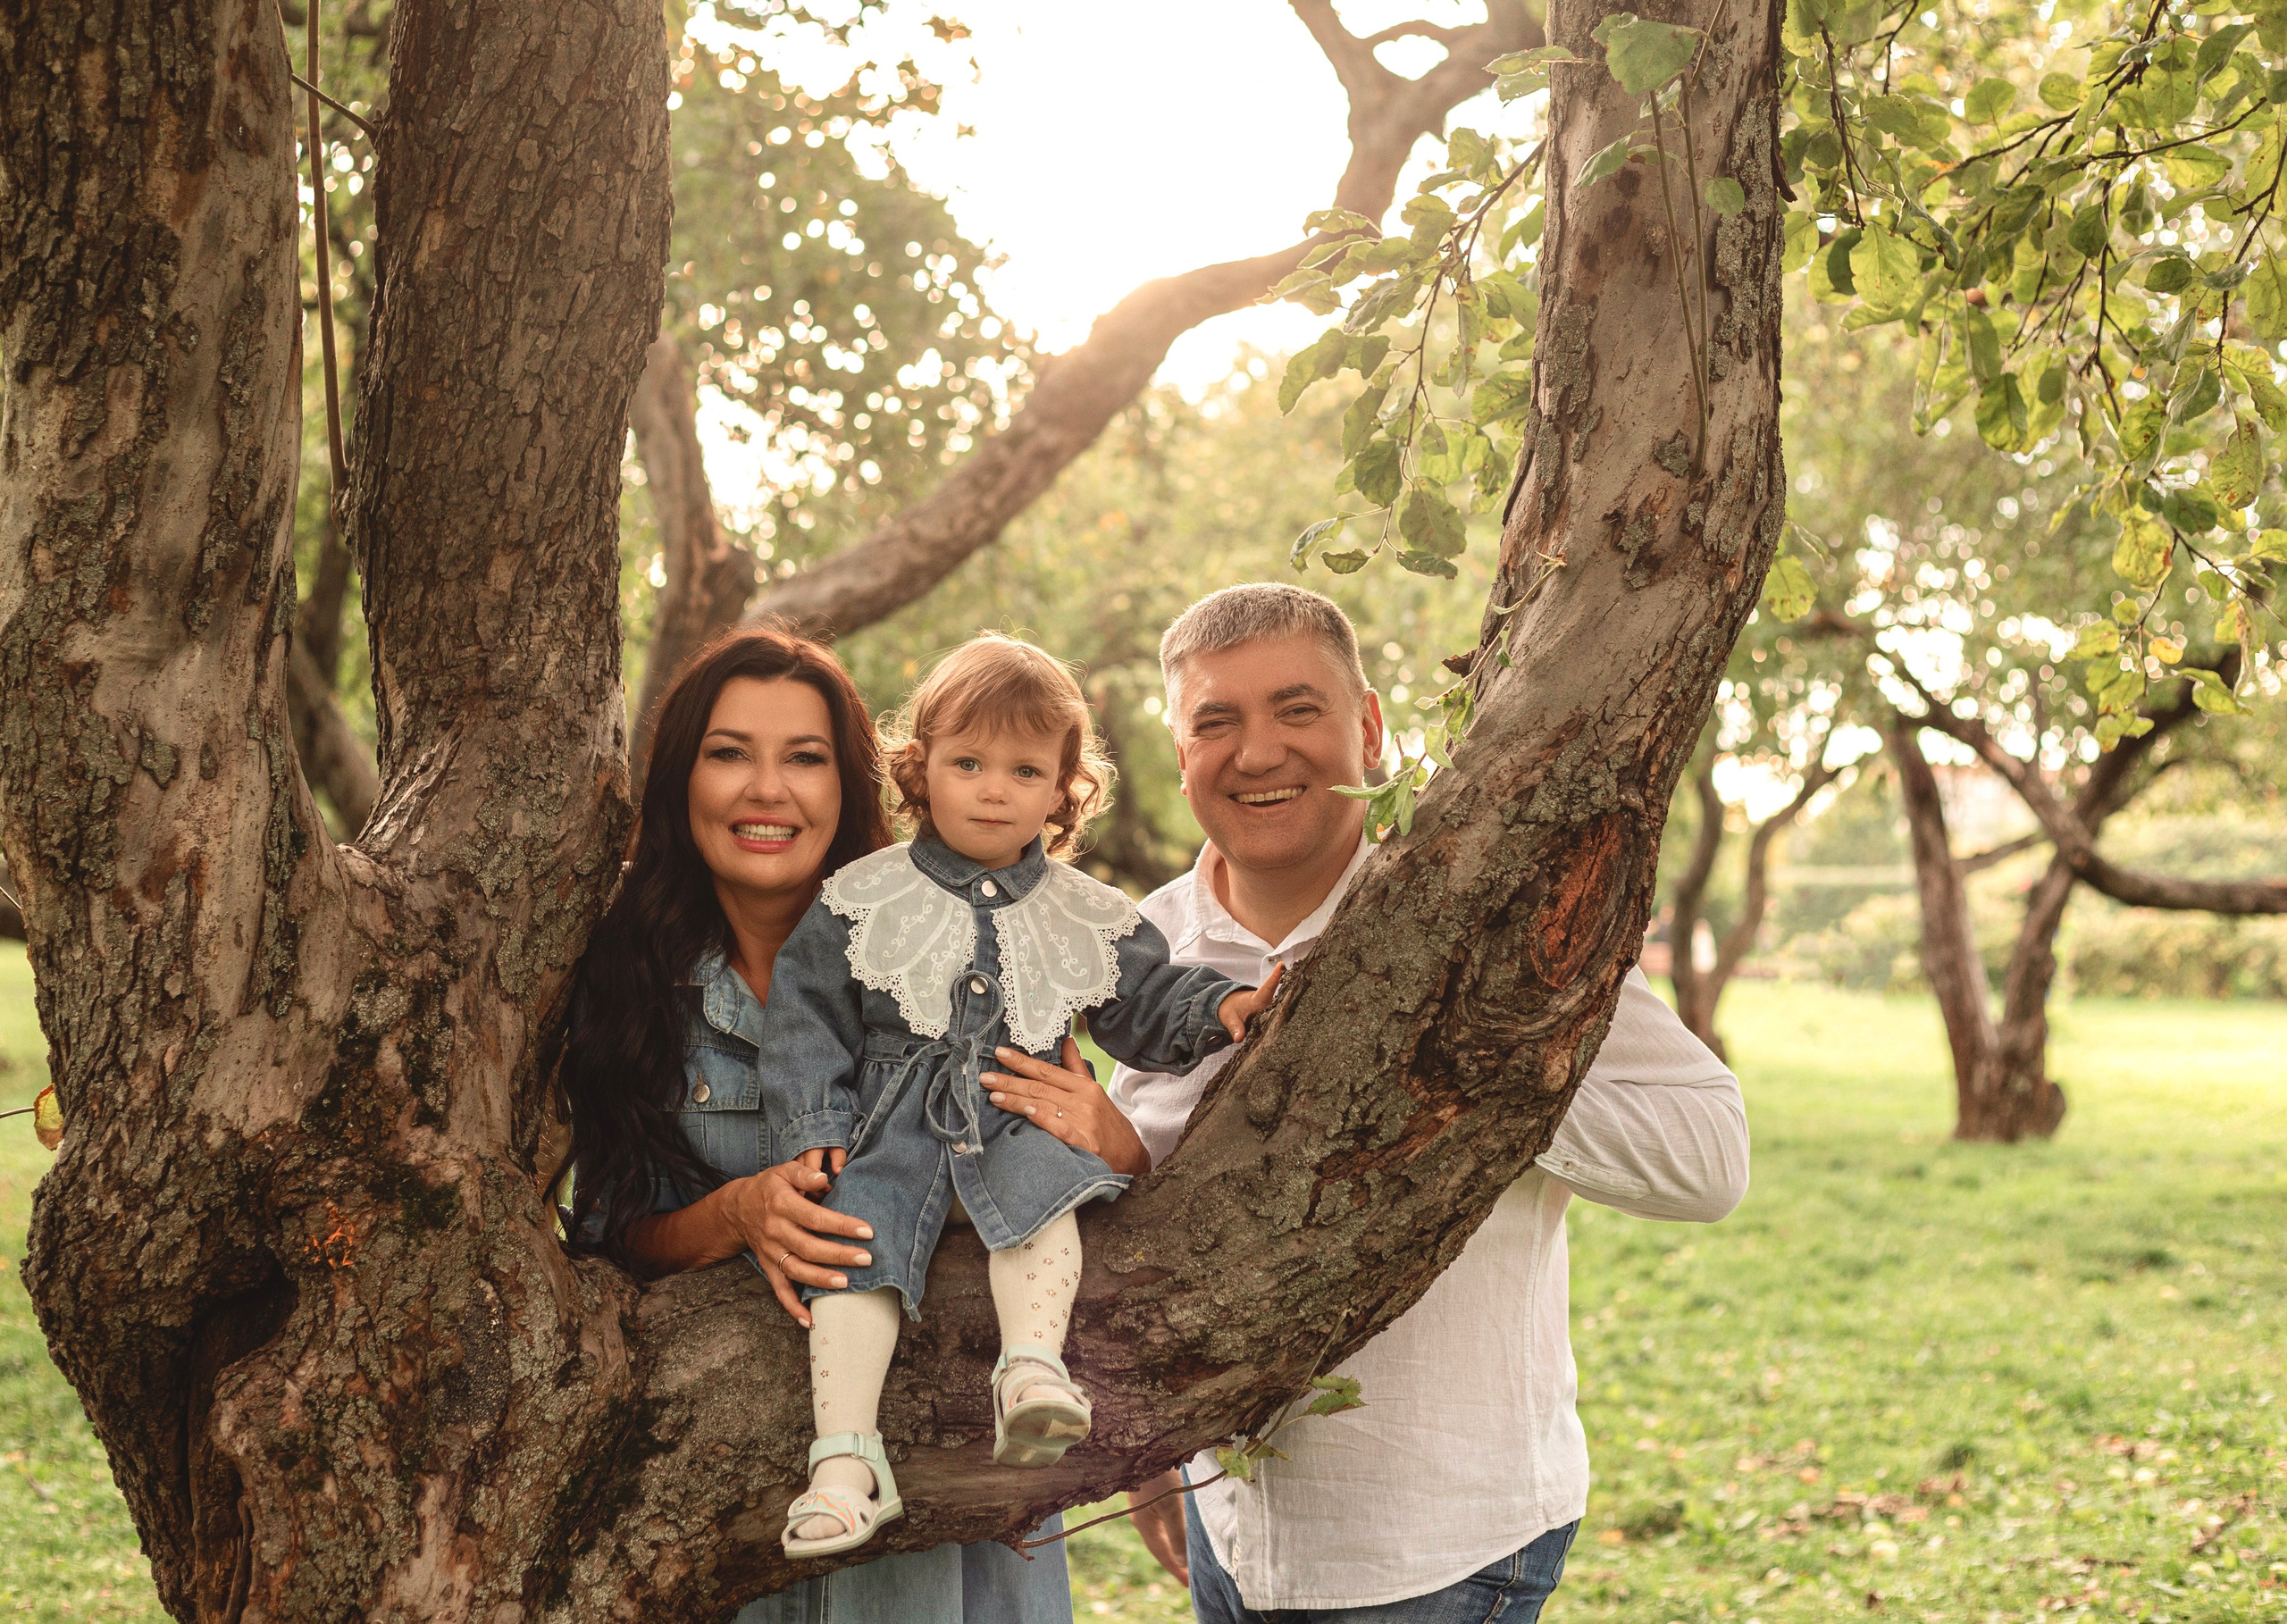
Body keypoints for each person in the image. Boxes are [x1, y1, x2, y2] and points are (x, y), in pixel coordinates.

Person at [1094, 583, 1752, 1623]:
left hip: (1437, 1549)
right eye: (1215, 722)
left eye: (1296, 709)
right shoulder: (1141, 943)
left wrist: (1472, 1062)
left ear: (1367, 727)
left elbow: (1711, 1162)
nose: (1256, 752)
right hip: (1230, 1531)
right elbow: (1138, 1212)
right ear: (1179, 756)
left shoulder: (1486, 924)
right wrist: (1139, 1443)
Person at [560, 627, 1077, 1624]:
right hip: (727, 1523)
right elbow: (607, 1236)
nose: (768, 789)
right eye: (728, 753)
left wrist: (1108, 1129)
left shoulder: (956, 935)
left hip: (946, 1533)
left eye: (804, 758)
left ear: (851, 786)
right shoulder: (621, 977)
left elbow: (1049, 1162)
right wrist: (738, 1214)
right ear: (678, 780)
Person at [758, 633, 1278, 1558]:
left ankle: (1031, 1371)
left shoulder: (1083, 912)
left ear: (1063, 788)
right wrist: (813, 1130)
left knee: (1046, 1206)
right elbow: (806, 1019)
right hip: (891, 1132)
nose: (993, 789)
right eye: (967, 763)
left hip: (1017, 1113)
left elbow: (1146, 1000)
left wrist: (1223, 1005)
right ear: (919, 772)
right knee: (850, 1258)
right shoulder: (862, 895)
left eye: (1024, 769)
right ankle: (844, 1465)